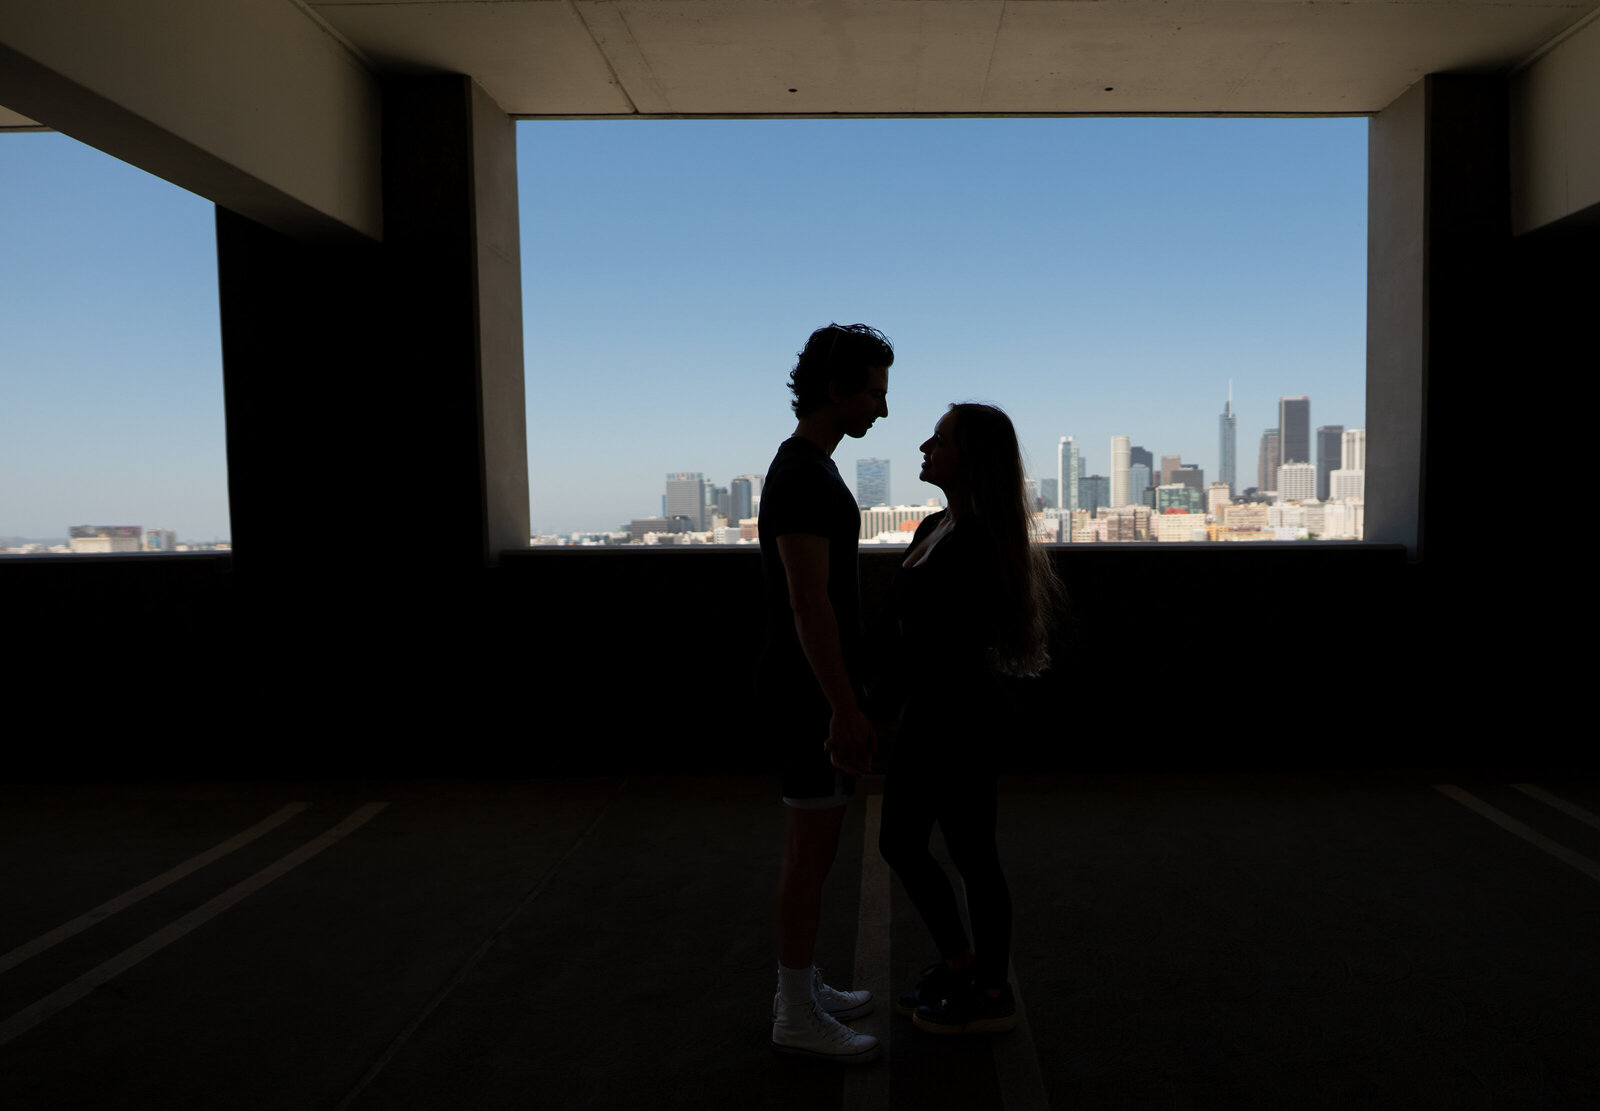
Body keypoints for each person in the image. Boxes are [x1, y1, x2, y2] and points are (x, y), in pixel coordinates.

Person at [875, 402, 1062, 1036]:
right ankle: (963, 964)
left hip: (959, 716)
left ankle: (988, 987)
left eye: (941, 439)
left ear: (970, 458)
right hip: (930, 710)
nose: (925, 446)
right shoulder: (936, 524)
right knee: (905, 842)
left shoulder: (982, 538)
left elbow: (947, 637)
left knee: (970, 853)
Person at [758, 323, 894, 1063]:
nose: (880, 408)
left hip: (815, 689)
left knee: (817, 848)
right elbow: (810, 604)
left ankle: (803, 990)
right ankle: (794, 1008)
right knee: (808, 857)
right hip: (811, 694)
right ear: (837, 390)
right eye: (873, 391)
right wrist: (843, 705)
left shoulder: (810, 468)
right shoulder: (805, 477)